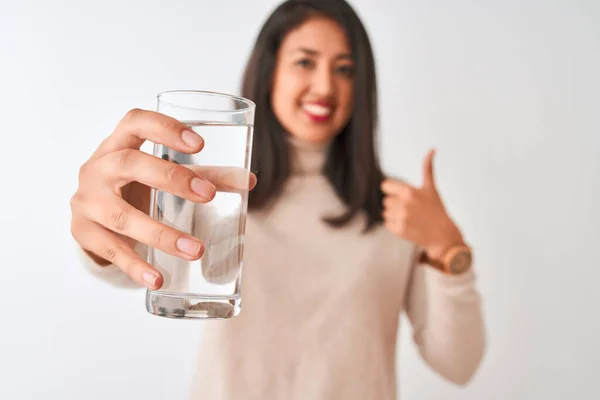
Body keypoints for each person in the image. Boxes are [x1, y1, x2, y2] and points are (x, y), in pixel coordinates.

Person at [70, 0, 486, 398]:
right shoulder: (214, 190)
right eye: (305, 62)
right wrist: (108, 225)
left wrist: (447, 246)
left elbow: (458, 363)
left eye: (345, 69)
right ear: (269, 73)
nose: (325, 86)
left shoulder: (398, 211)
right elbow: (129, 269)